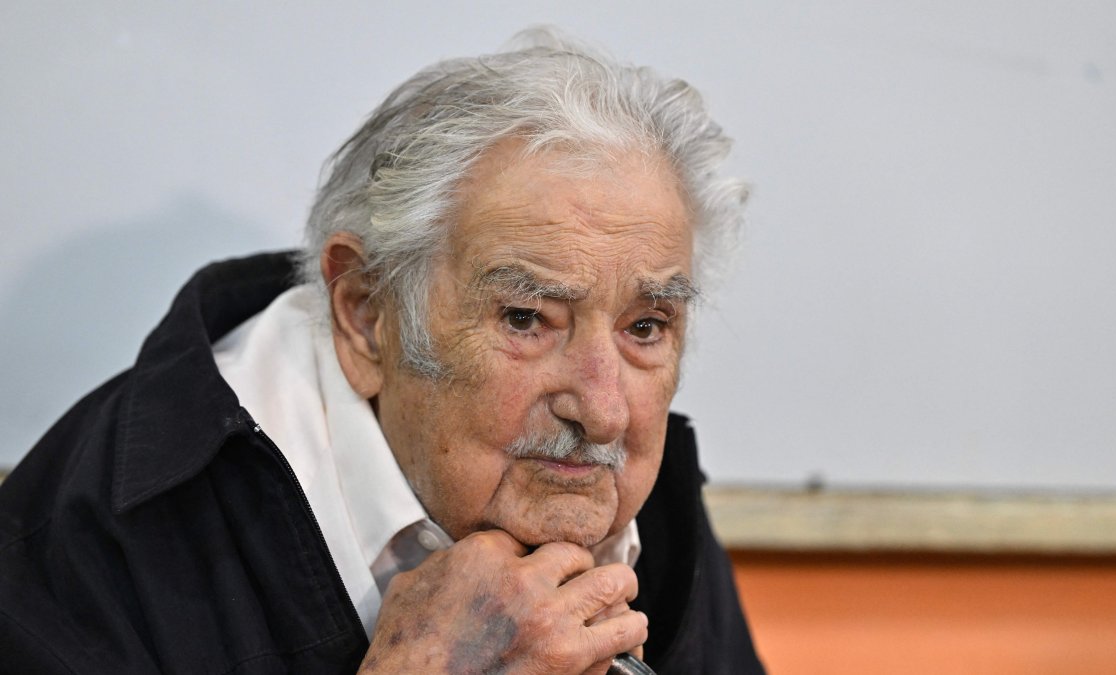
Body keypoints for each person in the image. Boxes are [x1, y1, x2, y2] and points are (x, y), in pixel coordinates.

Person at [0, 29, 762, 674]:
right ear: (368, 316)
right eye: (528, 317)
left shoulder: (650, 504)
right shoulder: (91, 541)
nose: (602, 410)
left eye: (646, 327)